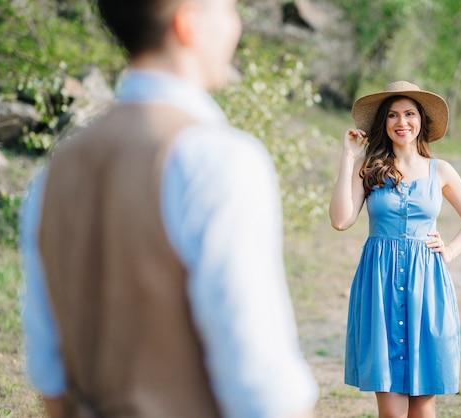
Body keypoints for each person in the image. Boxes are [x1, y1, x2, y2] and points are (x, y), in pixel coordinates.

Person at [19, 0, 318, 417]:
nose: (236, 26)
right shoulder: (218, 159)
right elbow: (260, 381)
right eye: (228, 9)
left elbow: (50, 376)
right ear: (188, 24)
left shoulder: (53, 174)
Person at [329, 81, 461, 418]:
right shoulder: (368, 167)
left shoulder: (440, 170)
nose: (402, 122)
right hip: (379, 287)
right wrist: (348, 156)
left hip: (427, 287)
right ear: (384, 123)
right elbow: (341, 220)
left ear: (421, 121)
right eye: (394, 115)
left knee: (424, 406)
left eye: (410, 114)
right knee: (392, 407)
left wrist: (451, 251)